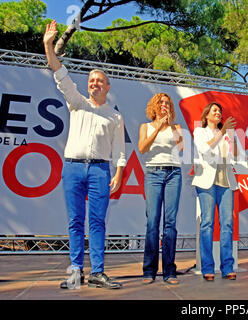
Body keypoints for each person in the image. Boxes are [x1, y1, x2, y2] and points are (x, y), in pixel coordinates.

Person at [43, 21, 126, 289]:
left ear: (108, 87)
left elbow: (119, 151)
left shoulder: (115, 116)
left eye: (99, 80)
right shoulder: (76, 103)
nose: (94, 83)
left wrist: (119, 172)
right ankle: (76, 271)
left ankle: (97, 272)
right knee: (75, 220)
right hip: (73, 169)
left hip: (101, 170)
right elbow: (59, 74)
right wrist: (48, 45)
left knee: (98, 221)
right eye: (91, 80)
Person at [138, 93, 184, 285]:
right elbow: (142, 148)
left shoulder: (177, 127)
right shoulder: (146, 126)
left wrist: (170, 125)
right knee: (152, 223)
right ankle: (149, 270)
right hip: (153, 174)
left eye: (167, 103)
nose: (164, 105)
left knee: (170, 223)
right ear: (154, 106)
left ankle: (169, 271)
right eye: (161, 102)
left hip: (174, 173)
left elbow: (182, 148)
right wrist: (157, 127)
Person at [192, 102, 239, 281]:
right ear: (206, 116)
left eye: (220, 110)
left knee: (227, 223)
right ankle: (207, 268)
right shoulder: (200, 131)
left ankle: (227, 267)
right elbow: (204, 150)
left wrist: (231, 136)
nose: (218, 113)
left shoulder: (227, 132)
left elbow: (236, 155)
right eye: (214, 110)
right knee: (207, 223)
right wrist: (223, 132)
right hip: (206, 181)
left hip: (226, 180)